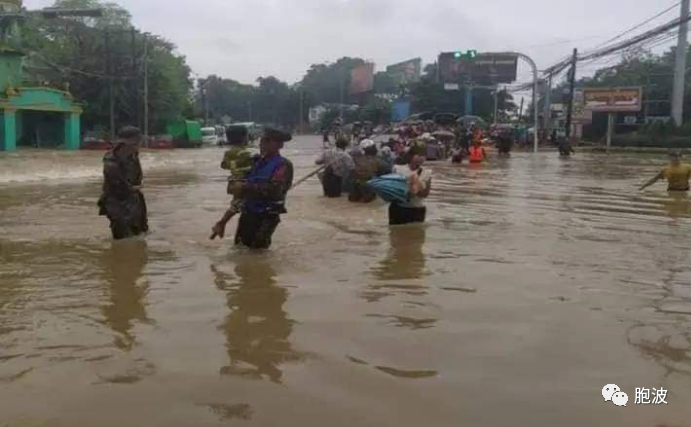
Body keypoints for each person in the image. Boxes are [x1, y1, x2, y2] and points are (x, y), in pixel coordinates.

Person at [211, 128, 294, 249]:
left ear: (278, 144)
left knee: (257, 252)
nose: (261, 143)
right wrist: (223, 221)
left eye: (265, 141)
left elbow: (274, 189)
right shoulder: (256, 162)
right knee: (239, 249)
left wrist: (244, 186)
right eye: (262, 140)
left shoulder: (283, 164)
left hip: (266, 215)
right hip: (248, 212)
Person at [98, 126, 148, 240]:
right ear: (130, 143)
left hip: (133, 199)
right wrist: (134, 188)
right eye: (138, 142)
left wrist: (136, 188)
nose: (140, 144)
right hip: (116, 201)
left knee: (140, 233)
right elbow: (118, 184)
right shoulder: (111, 161)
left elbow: (137, 175)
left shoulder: (134, 154)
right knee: (123, 238)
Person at [390, 149, 432, 225]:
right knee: (395, 234)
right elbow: (392, 188)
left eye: (423, 155)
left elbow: (426, 194)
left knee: (416, 234)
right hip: (399, 208)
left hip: (417, 210)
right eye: (419, 155)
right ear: (411, 156)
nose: (421, 157)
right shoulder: (397, 169)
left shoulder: (427, 172)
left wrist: (414, 190)